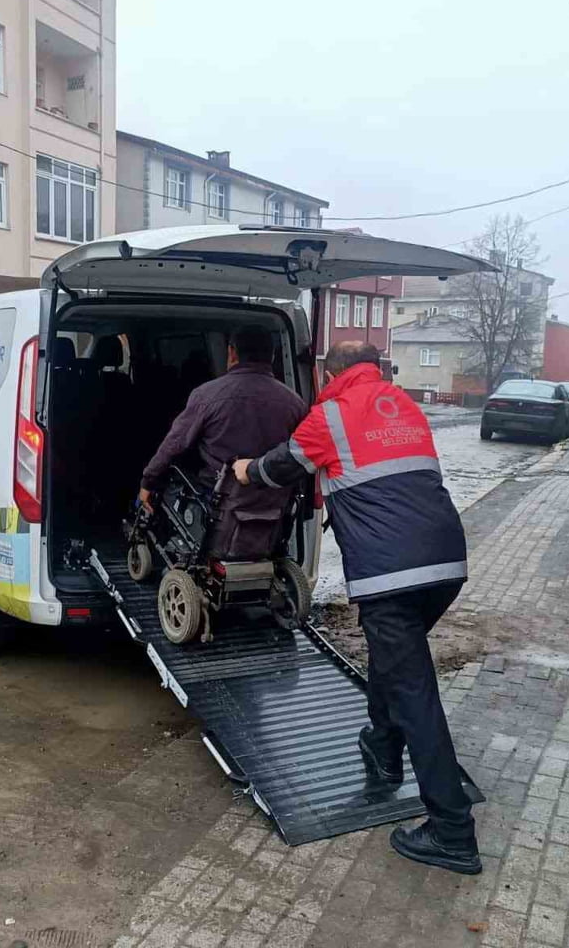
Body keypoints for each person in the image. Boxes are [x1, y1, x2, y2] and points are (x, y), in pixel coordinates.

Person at [232, 340, 479, 875]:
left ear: (329, 373)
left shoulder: (331, 415)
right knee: (395, 664)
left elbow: (282, 467)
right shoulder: (405, 405)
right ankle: (381, 746)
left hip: (391, 576)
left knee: (415, 692)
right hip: (446, 563)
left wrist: (246, 470)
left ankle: (453, 831)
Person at [137, 327, 307, 509]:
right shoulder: (295, 403)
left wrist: (148, 481)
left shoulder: (206, 395)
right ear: (272, 356)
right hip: (273, 510)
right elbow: (302, 455)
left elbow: (174, 444)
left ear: (232, 353)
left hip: (217, 506)